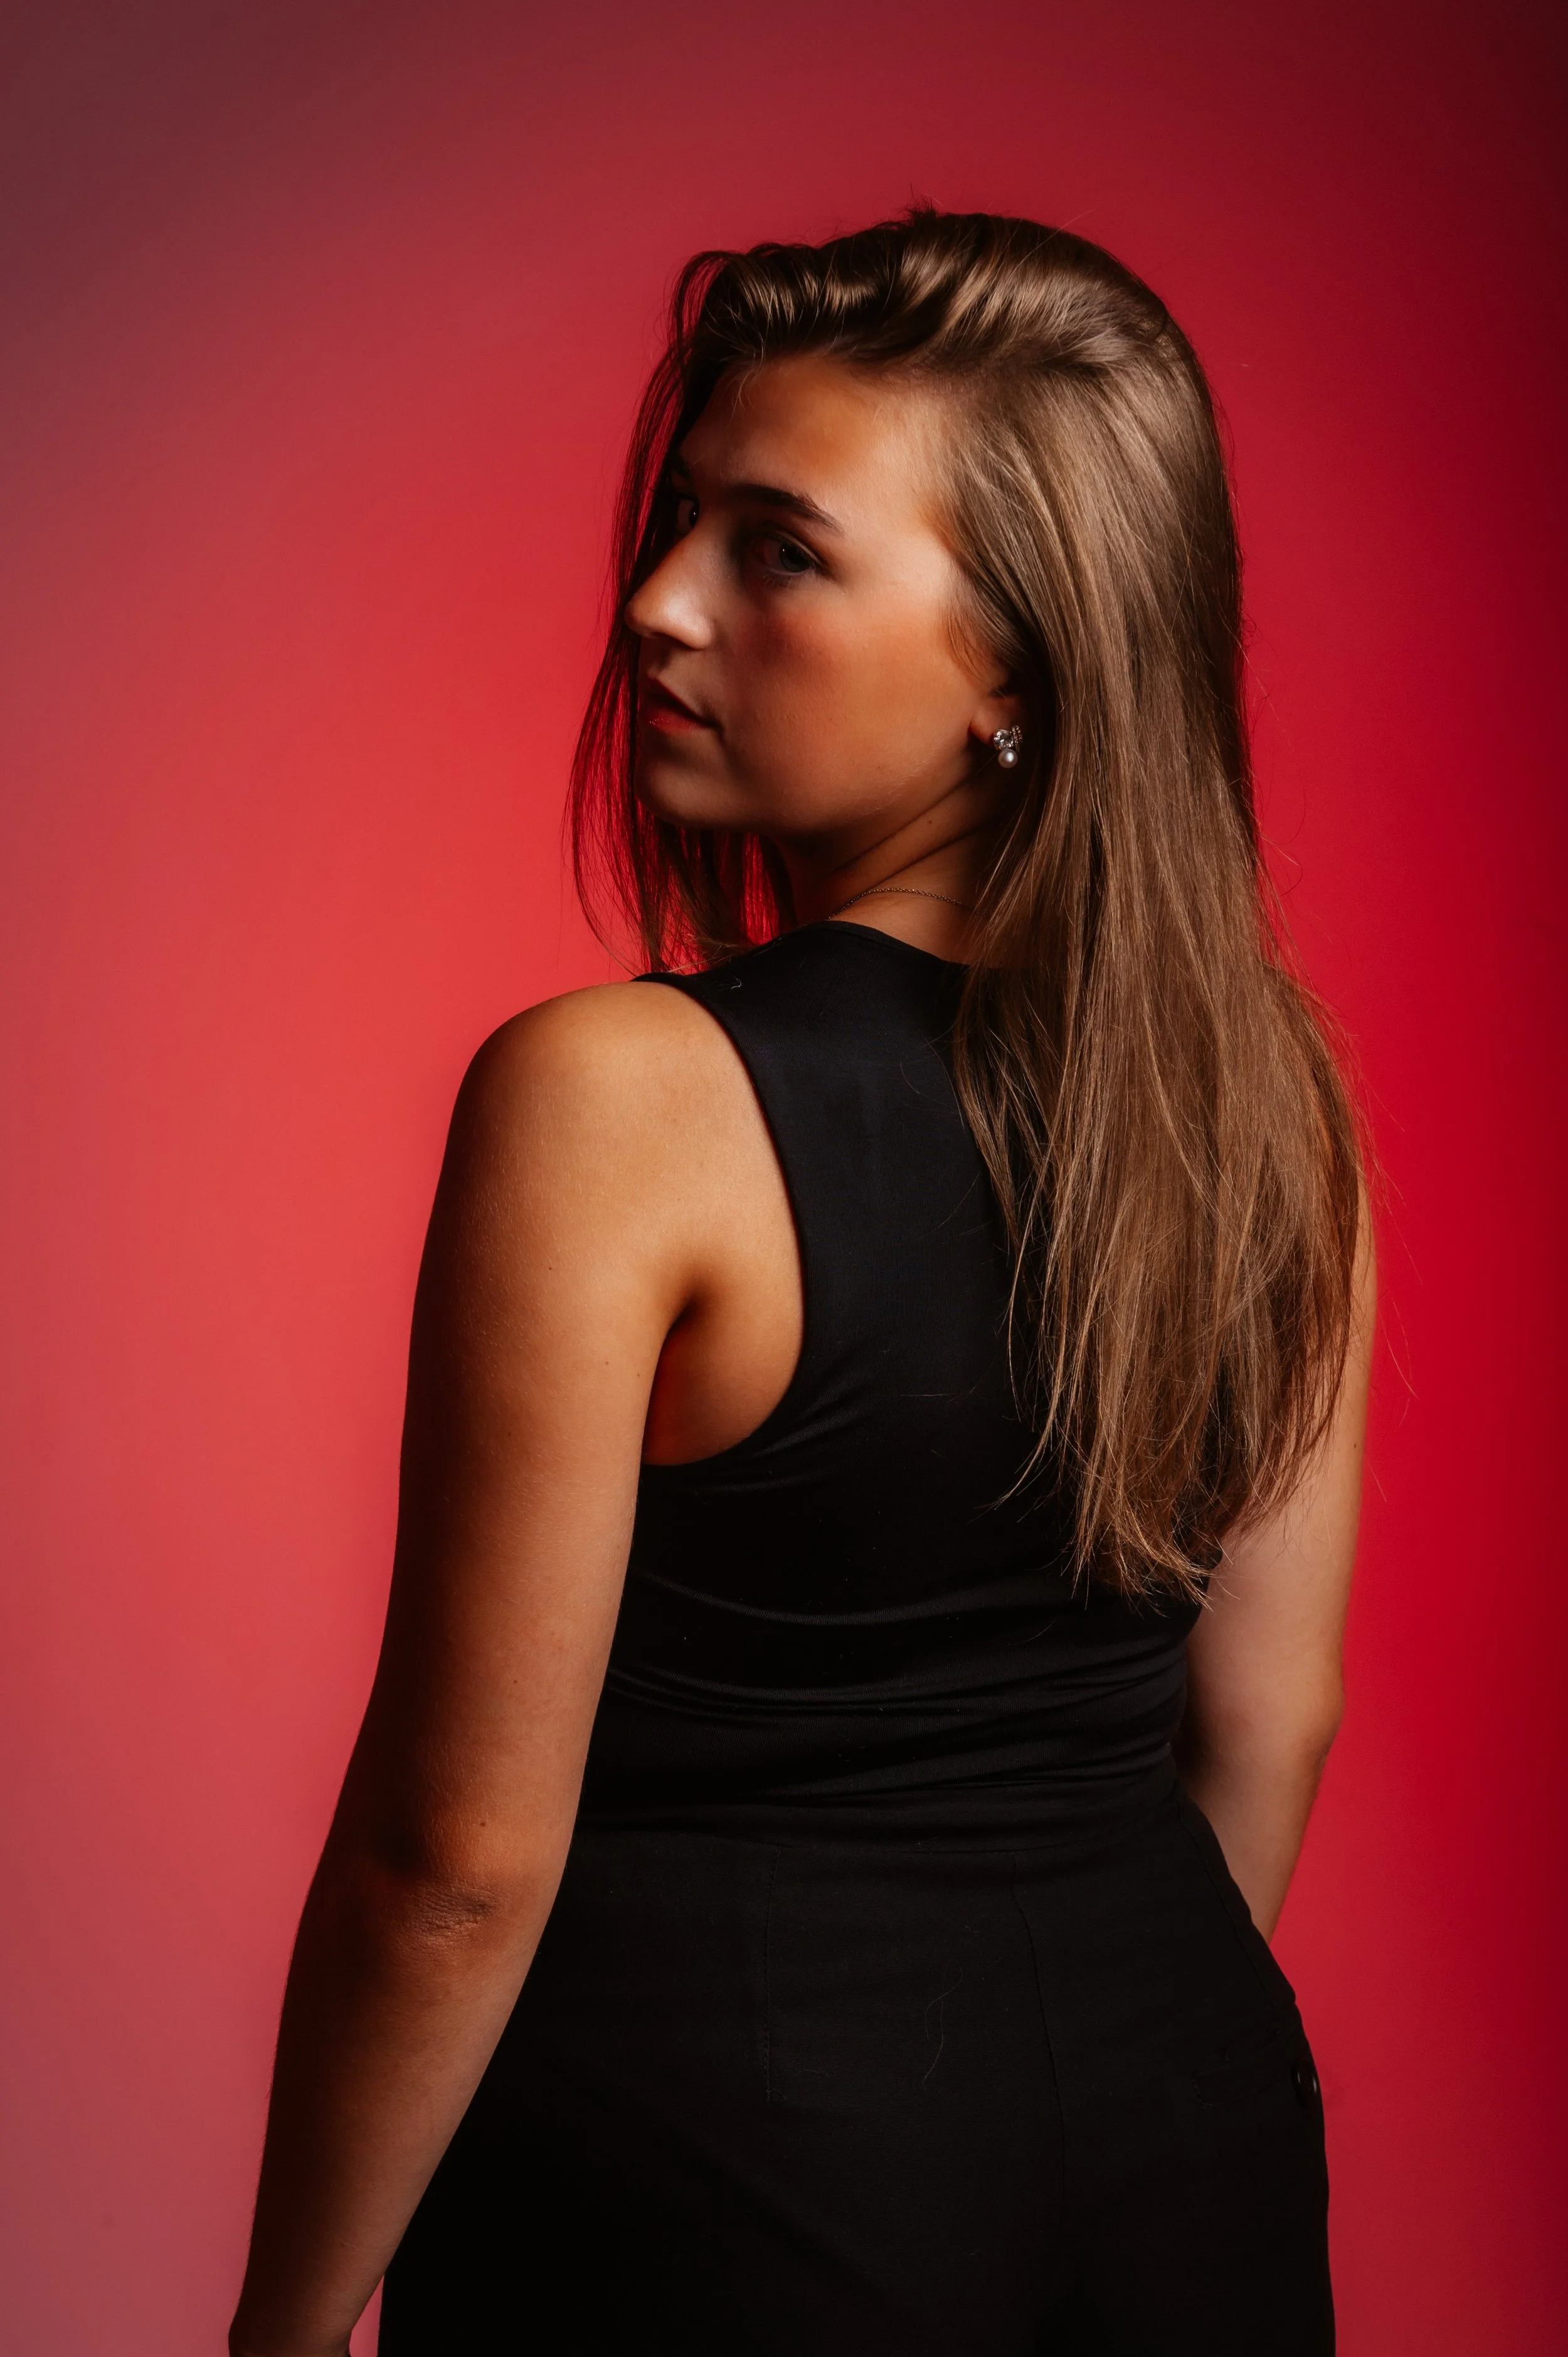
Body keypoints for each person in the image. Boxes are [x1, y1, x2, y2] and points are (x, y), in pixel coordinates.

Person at [230, 210, 1373, 2357]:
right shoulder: (1265, 1111)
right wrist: (1078, 2076)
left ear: (1016, 666)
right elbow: (1267, 1716)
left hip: (703, 2195)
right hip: (1190, 2165)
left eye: (779, 551)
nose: (655, 604)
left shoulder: (621, 1099)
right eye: (679, 520)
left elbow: (452, 1859)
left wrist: (279, 2327)